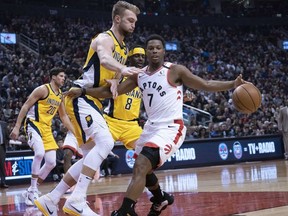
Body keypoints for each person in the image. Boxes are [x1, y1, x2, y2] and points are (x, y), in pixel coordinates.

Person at [66, 34, 246, 216]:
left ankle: (124, 212)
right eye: (150, 48)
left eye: (158, 48)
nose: (154, 51)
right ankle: (160, 198)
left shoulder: (176, 71)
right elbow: (113, 92)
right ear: (146, 52)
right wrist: (83, 90)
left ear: (163, 51)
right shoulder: (140, 75)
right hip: (150, 128)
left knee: (141, 165)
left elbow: (206, 84)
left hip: (171, 128)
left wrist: (232, 84)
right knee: (143, 166)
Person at [35, 1, 141, 215]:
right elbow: (104, 59)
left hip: (93, 102)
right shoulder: (104, 39)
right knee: (106, 141)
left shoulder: (124, 48)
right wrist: (125, 69)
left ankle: (51, 198)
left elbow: (113, 74)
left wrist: (115, 80)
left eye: (135, 21)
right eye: (130, 20)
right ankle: (76, 199)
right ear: (117, 19)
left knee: (91, 156)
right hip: (80, 97)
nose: (133, 24)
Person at [9, 67, 75, 206]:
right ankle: (32, 191)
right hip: (33, 124)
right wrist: (17, 126)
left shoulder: (60, 95)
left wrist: (75, 132)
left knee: (51, 162)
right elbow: (26, 106)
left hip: (46, 128)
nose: (64, 78)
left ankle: (30, 191)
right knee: (39, 153)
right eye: (61, 76)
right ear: (53, 77)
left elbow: (63, 116)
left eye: (64, 76)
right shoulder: (42, 89)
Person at [0, 120, 9, 189]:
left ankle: (3, 182)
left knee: (2, 165)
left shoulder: (3, 124)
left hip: (1, 147)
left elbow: (7, 136)